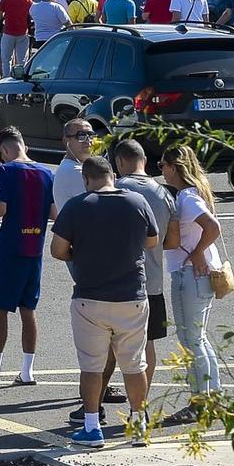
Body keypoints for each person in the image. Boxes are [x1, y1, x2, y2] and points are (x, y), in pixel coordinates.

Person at [52, 155, 159, 447]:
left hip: (90, 297)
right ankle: (138, 426)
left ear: (87, 179)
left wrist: (81, 253)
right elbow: (152, 240)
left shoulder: (77, 206)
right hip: (132, 297)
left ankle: (91, 426)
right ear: (112, 174)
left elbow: (58, 250)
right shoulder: (137, 202)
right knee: (134, 365)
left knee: (92, 366)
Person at [0, 126, 53, 388]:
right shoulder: (46, 172)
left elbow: (1, 208)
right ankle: (28, 369)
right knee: (28, 309)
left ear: (5, 149)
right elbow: (53, 212)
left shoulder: (6, 171)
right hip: (35, 246)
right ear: (24, 145)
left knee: (0, 308)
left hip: (11, 247)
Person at [160, 146, 226, 397]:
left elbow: (212, 227)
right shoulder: (195, 193)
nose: (162, 171)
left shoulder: (187, 197)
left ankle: (200, 401)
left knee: (191, 341)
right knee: (199, 339)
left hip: (190, 275)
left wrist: (197, 252)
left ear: (174, 168)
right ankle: (212, 395)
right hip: (200, 277)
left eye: (162, 165)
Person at [112, 139, 175, 401]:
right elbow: (172, 241)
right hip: (154, 282)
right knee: (147, 344)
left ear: (119, 162)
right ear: (144, 161)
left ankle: (95, 402)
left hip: (121, 281)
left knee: (111, 344)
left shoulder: (116, 189)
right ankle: (142, 403)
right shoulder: (164, 193)